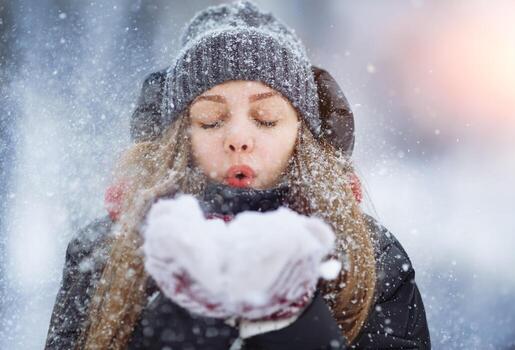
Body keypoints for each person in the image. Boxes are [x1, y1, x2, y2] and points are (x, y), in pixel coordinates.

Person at [45, 1, 431, 349]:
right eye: (211, 121)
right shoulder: (107, 253)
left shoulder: (368, 255)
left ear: (301, 135)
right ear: (179, 137)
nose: (238, 139)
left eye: (266, 119)